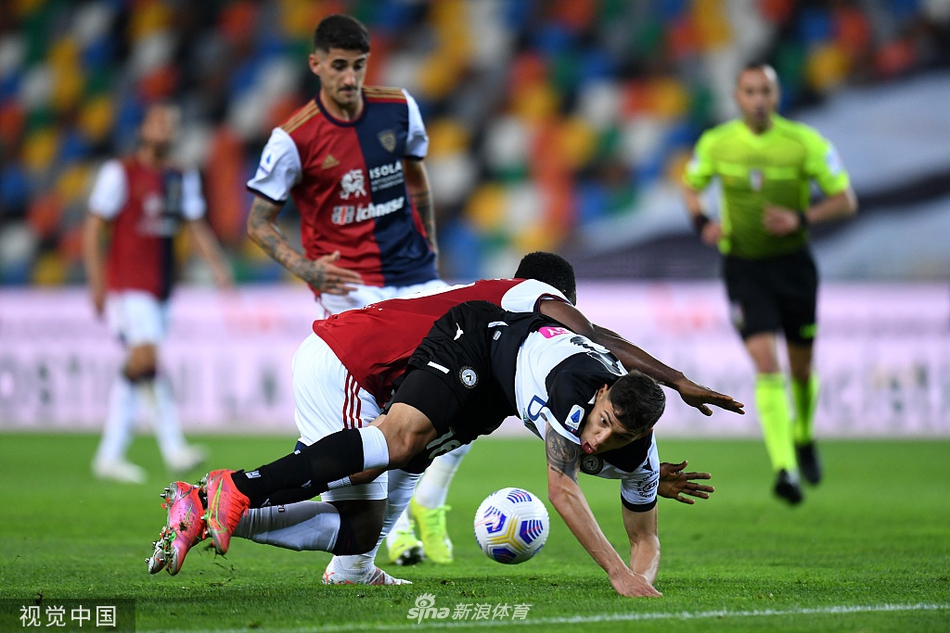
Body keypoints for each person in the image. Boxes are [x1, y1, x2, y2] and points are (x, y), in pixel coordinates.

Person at [147, 256, 743, 594]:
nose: (569, 320)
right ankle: (233, 490)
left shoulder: (526, 352)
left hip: (402, 374)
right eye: (566, 308)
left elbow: (589, 433)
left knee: (372, 514)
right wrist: (678, 380)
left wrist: (631, 469)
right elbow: (594, 340)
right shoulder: (533, 301)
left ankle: (218, 512)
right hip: (360, 364)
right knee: (391, 448)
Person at [243, 13, 463, 567]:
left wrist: (429, 242)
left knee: (466, 384)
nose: (349, 78)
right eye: (338, 66)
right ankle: (379, 538)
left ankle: (423, 508)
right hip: (349, 287)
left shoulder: (398, 108)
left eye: (358, 66)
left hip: (415, 275)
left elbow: (416, 177)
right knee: (374, 429)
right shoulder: (292, 139)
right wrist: (306, 268)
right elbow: (258, 222)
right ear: (316, 64)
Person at [681, 63, 858, 504]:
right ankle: (785, 469)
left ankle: (804, 434)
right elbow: (690, 185)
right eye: (750, 91)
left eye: (766, 91)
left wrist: (801, 218)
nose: (758, 99)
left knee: (801, 370)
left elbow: (845, 201)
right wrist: (702, 221)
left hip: (793, 267)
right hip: (744, 269)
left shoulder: (803, 143)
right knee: (767, 366)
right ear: (737, 97)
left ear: (776, 97)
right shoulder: (717, 143)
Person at [82, 102, 233, 484]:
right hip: (127, 283)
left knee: (139, 365)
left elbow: (195, 224)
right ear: (143, 129)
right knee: (146, 358)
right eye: (157, 123)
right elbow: (93, 228)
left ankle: (109, 455)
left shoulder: (181, 176)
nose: (164, 129)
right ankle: (173, 447)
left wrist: (218, 266)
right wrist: (96, 283)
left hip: (162, 286)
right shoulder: (120, 173)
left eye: (170, 124)